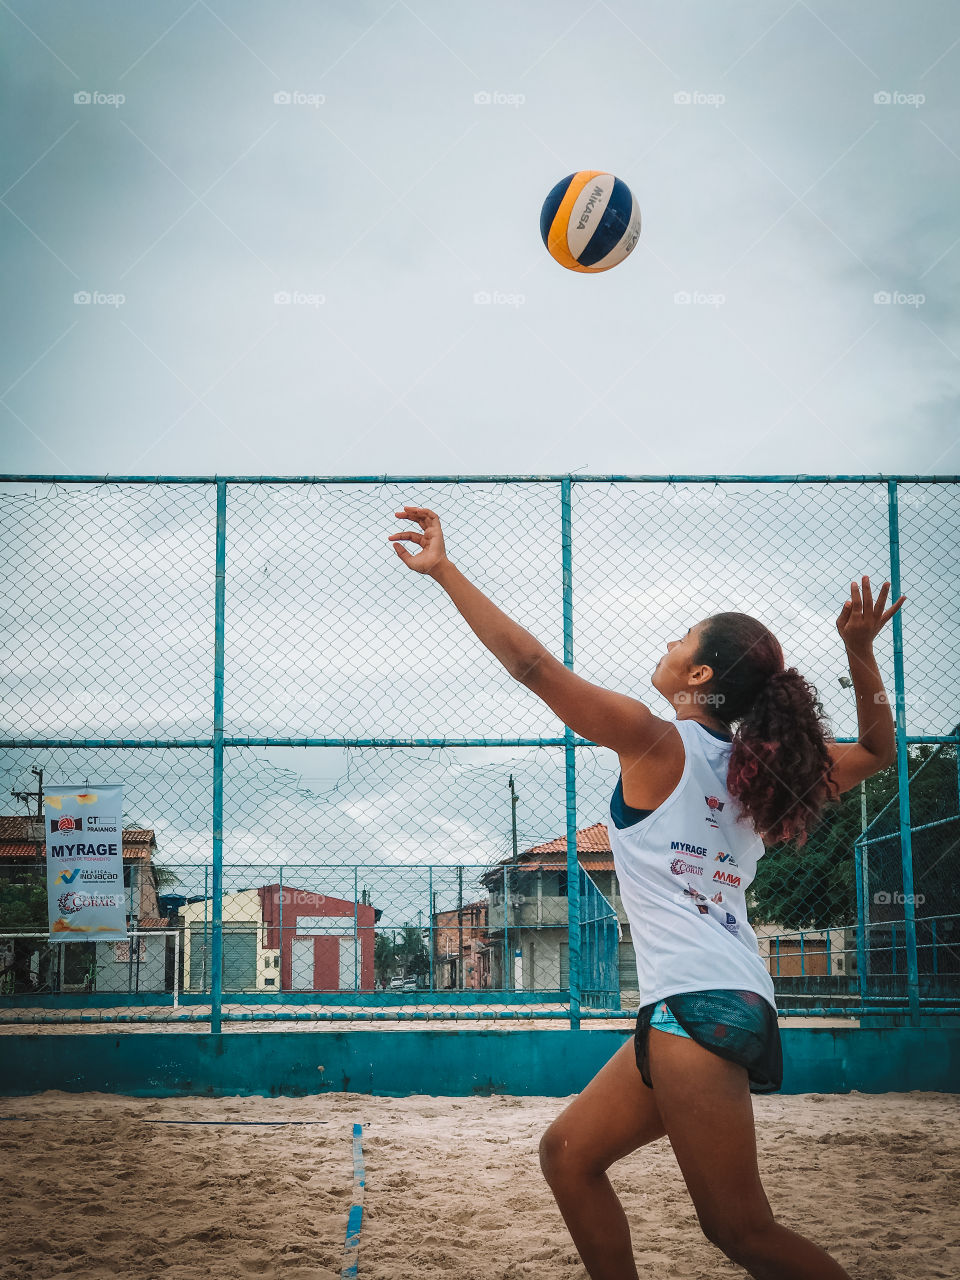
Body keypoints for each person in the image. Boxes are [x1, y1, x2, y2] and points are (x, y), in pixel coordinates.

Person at [389, 504, 906, 1280]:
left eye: (682, 638)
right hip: (720, 1001)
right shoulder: (759, 770)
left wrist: (445, 572)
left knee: (741, 1231)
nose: (666, 644)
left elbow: (532, 667)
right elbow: (876, 749)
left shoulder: (656, 738)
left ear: (699, 677)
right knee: (567, 1154)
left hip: (695, 1007)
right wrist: (860, 654)